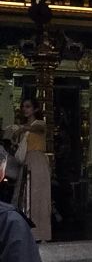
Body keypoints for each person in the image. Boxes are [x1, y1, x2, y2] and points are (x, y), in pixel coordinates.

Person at [12, 96, 52, 243]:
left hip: (38, 162)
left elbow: (38, 129)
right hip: (26, 162)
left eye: (28, 106)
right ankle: (28, 234)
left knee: (39, 197)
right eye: (23, 107)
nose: (25, 109)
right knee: (26, 198)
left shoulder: (39, 124)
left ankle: (42, 234)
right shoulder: (23, 129)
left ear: (35, 109)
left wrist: (23, 128)